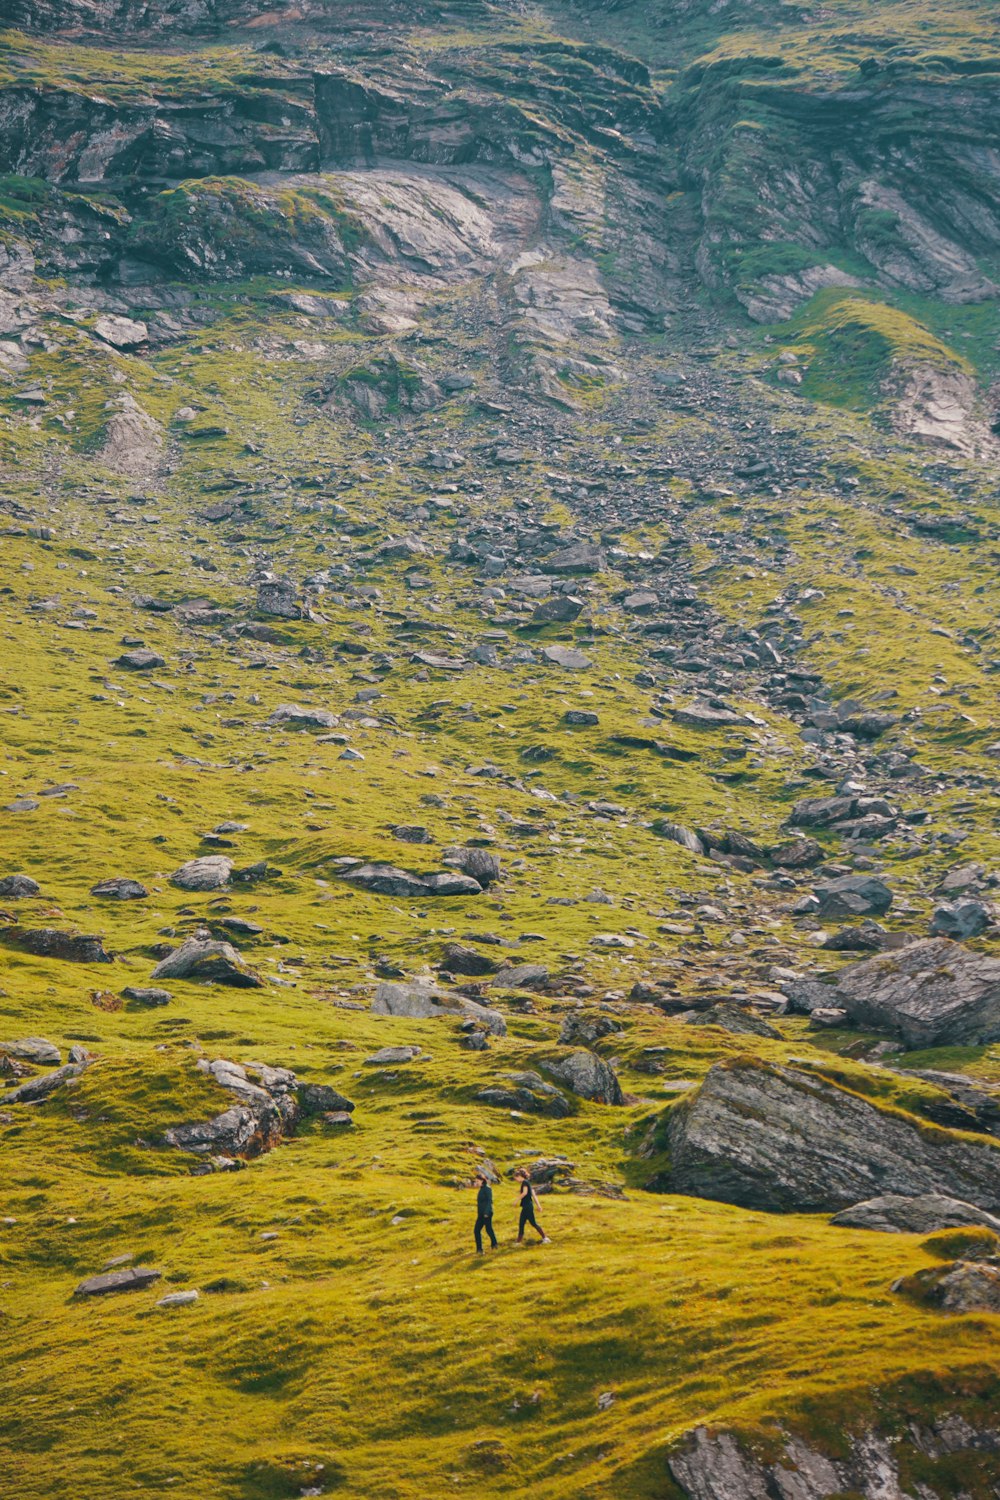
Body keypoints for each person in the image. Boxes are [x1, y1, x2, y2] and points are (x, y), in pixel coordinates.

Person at [515, 1170, 550, 1244]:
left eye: (516, 1178)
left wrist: (516, 1200)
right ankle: (518, 1242)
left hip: (527, 1206)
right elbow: (534, 1195)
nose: (516, 1180)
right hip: (527, 1206)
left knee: (532, 1223)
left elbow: (525, 1193)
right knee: (522, 1223)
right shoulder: (528, 1183)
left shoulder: (524, 1183)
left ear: (520, 1176)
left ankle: (545, 1238)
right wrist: (538, 1205)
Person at [474, 1173, 498, 1254]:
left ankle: (494, 1244)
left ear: (482, 1180)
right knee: (477, 1230)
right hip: (481, 1214)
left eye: (477, 1181)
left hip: (486, 1213)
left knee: (488, 1229)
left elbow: (489, 1201)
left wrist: (486, 1212)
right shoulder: (481, 1189)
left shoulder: (487, 1188)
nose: (476, 1182)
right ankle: (479, 1249)